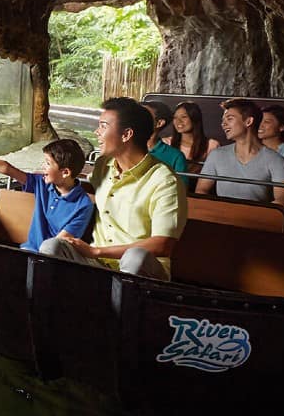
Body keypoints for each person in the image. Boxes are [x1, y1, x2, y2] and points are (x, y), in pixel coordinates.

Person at [39, 97, 187, 281]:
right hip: (99, 263)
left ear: (126, 135)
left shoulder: (165, 181)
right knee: (52, 246)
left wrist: (96, 251)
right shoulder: (104, 165)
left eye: (103, 126)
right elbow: (78, 185)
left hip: (143, 271)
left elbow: (163, 244)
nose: (96, 132)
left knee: (135, 257)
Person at [0, 139, 94, 253]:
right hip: (28, 250)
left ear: (65, 172)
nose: (43, 166)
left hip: (53, 260)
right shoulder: (42, 184)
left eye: (48, 163)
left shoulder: (83, 205)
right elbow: (7, 168)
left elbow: (59, 243)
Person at [195, 98, 284, 206]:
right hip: (220, 216)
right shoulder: (216, 155)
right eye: (223, 120)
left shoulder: (276, 161)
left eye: (230, 119)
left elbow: (283, 200)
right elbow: (201, 191)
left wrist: (248, 215)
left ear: (248, 121)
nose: (223, 124)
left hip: (257, 220)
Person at [164, 101, 219, 170]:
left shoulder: (212, 145)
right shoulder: (166, 143)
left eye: (184, 117)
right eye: (175, 117)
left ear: (194, 118)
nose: (178, 121)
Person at [141, 100, 187, 174]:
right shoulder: (124, 148)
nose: (135, 119)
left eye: (143, 115)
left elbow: (180, 185)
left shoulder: (176, 157)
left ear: (159, 123)